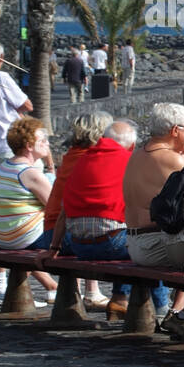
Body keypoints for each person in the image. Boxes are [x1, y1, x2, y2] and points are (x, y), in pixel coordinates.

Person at [51, 119, 138, 318]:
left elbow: (64, 211)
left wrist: (54, 248)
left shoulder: (82, 160)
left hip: (78, 245)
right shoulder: (128, 161)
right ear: (131, 146)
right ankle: (159, 309)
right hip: (111, 243)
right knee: (149, 246)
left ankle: (120, 300)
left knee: (128, 239)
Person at [122, 103, 184, 320]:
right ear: (175, 130)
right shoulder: (172, 159)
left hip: (133, 243)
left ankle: (179, 306)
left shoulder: (136, 155)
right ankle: (178, 309)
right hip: (154, 246)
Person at [43, 112, 111, 308]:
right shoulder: (91, 159)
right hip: (63, 233)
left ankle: (91, 291)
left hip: (52, 229)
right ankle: (117, 296)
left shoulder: (71, 155)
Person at [0, 117, 59, 300]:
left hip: (3, 237)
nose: (47, 144)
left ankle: (51, 287)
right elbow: (55, 208)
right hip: (23, 238)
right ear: (29, 146)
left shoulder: (5, 167)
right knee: (72, 237)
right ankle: (71, 293)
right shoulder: (29, 174)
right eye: (43, 141)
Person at [0, 39, 33, 302]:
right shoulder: (1, 77)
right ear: (2, 56)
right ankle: (8, 283)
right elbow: (27, 105)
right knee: (16, 206)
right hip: (6, 146)